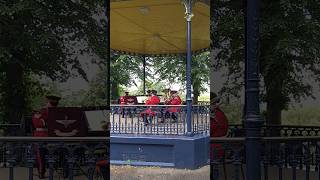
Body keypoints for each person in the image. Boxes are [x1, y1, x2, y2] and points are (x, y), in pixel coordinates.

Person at [32, 95, 61, 179]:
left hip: (51, 135)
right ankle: (41, 172)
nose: (54, 104)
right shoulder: (42, 111)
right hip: (42, 134)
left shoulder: (57, 111)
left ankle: (43, 172)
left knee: (42, 155)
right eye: (53, 102)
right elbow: (38, 122)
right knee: (40, 155)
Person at [210, 92, 229, 159]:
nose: (216, 105)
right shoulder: (219, 113)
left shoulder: (217, 114)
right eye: (214, 103)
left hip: (214, 147)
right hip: (220, 145)